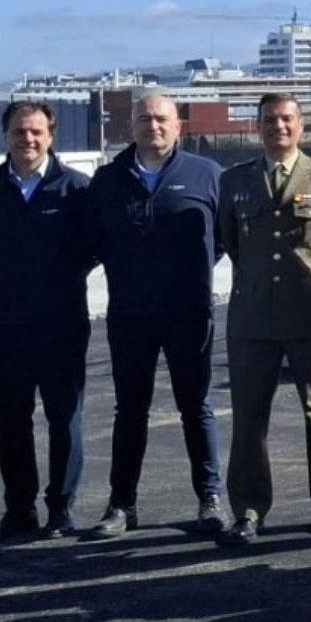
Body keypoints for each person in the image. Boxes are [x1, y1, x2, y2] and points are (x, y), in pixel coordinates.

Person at [216, 93, 311, 545]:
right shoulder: (235, 181)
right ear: (257, 126)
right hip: (254, 314)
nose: (278, 127)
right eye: (269, 120)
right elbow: (231, 242)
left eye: (286, 119)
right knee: (248, 416)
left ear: (301, 125)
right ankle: (248, 510)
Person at [84, 92, 227, 538]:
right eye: (145, 119)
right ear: (132, 126)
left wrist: (191, 275)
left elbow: (222, 238)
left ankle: (210, 499)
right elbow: (92, 241)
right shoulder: (108, 180)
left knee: (196, 407)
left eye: (162, 119)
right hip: (130, 315)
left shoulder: (207, 174)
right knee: (130, 410)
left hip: (190, 313)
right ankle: (121, 504)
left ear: (178, 125)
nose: (154, 126)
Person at [0, 100, 97, 541]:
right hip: (5, 327)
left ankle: (61, 507)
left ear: (50, 136)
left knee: (65, 418)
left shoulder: (77, 189)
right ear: (5, 136)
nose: (28, 139)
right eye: (19, 132)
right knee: (11, 420)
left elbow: (92, 249)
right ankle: (19, 509)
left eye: (36, 132)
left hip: (62, 325)